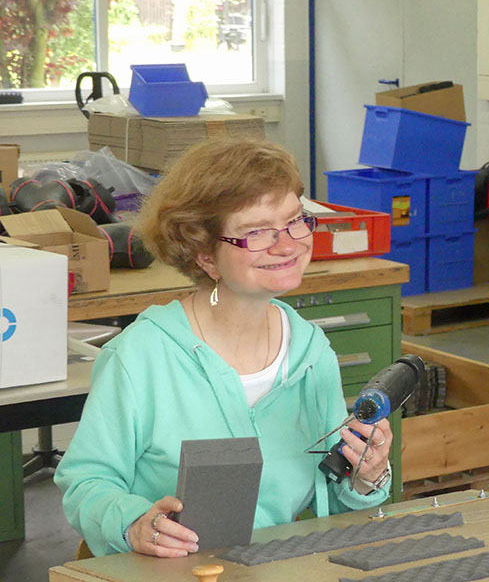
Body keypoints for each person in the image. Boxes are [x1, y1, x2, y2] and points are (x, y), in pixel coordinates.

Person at [55, 138, 393, 558]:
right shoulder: (141, 356)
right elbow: (86, 483)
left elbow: (333, 500)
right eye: (257, 232)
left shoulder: (311, 352)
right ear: (205, 255)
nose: (288, 245)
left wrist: (366, 475)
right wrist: (134, 524)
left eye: (295, 221)